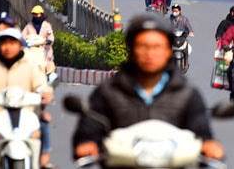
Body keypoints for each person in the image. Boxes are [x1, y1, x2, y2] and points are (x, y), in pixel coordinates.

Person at [73, 15, 223, 163]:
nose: (150, 54)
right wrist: (87, 143)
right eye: (142, 46)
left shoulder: (186, 94)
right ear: (131, 49)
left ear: (168, 51)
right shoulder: (109, 92)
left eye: (157, 47)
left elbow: (200, 130)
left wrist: (208, 145)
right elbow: (91, 126)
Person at [0, 28, 53, 169]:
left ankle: (43, 163)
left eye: (12, 43)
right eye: (4, 43)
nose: (8, 47)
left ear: (19, 45)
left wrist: (46, 93)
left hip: (27, 111)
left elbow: (41, 84)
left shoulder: (29, 65)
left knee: (44, 123)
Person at [21, 5, 55, 71]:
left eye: (37, 14)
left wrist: (48, 41)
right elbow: (23, 36)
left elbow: (50, 36)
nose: (36, 16)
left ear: (41, 14)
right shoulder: (29, 25)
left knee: (48, 68)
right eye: (34, 14)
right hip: (32, 50)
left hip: (44, 50)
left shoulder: (47, 25)